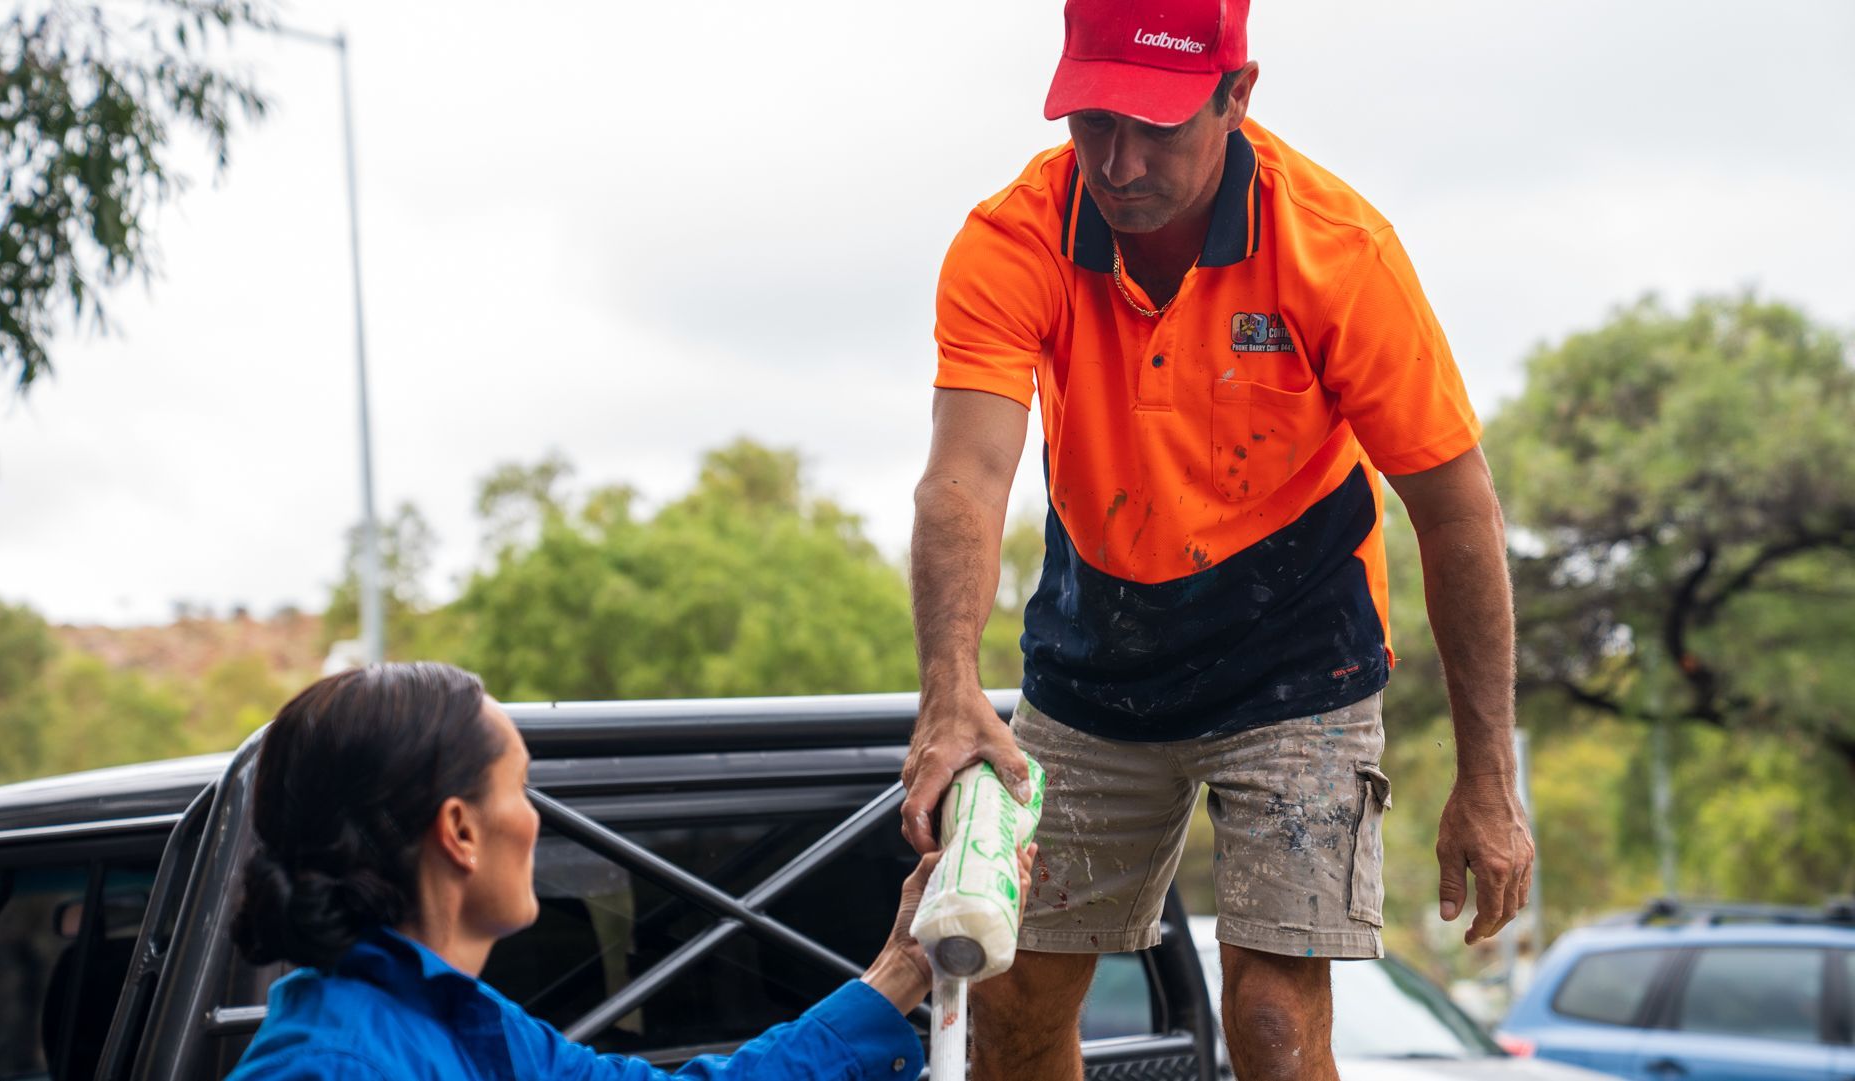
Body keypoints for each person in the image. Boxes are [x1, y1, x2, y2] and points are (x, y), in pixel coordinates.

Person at [901, 2, 1536, 1079]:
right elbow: (963, 478)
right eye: (1094, 120)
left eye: (1157, 126)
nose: (1119, 160)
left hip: (1298, 659)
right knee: (1009, 1001)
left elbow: (1455, 505)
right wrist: (948, 687)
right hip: (1097, 645)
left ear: (1237, 96)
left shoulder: (1337, 248)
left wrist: (1488, 776)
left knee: (1277, 1031)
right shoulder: (1013, 236)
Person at [228, 662, 1024, 1080]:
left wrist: (905, 966)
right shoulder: (332, 1066)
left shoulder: (466, 1026)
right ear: (460, 830)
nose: (536, 819)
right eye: (521, 787)